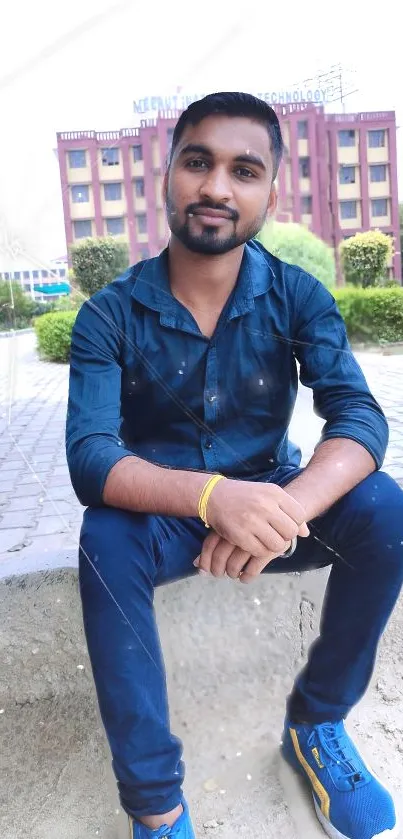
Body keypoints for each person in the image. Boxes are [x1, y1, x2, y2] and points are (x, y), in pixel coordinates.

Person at [66, 92, 402, 839]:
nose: (217, 186)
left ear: (269, 193)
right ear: (168, 175)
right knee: (103, 535)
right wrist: (214, 497)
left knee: (384, 507)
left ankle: (315, 725)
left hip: (272, 512)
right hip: (162, 522)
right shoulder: (107, 316)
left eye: (243, 170)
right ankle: (156, 807)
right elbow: (91, 458)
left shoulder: (295, 294)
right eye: (198, 162)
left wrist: (280, 510)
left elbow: (358, 417)